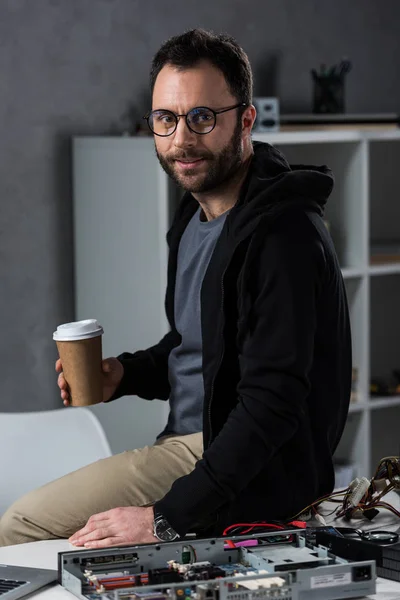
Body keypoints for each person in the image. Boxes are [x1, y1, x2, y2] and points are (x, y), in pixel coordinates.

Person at [0, 28, 351, 548]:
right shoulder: (196, 215)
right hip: (195, 443)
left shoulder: (283, 236)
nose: (182, 139)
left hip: (238, 457)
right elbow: (200, 347)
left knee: (21, 525)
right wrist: (124, 373)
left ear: (246, 120)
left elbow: (272, 405)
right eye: (166, 119)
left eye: (203, 118)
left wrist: (167, 516)